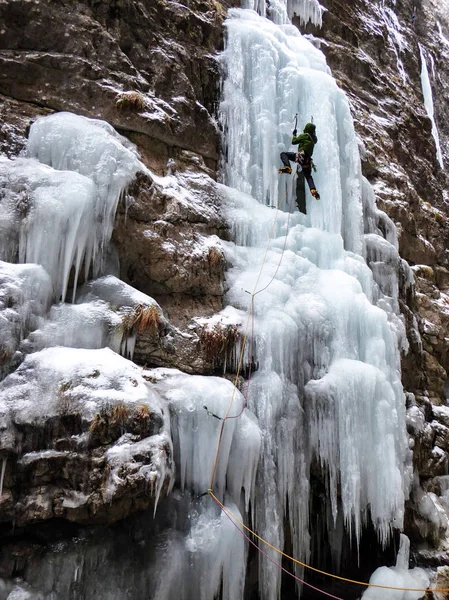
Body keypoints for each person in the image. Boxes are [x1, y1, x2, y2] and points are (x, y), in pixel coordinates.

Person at [278, 122, 320, 200]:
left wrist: (294, 134)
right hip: (307, 161)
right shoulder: (314, 139)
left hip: (300, 157)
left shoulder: (305, 135)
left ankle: (287, 167)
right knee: (308, 176)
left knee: (283, 154)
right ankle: (313, 189)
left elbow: (294, 142)